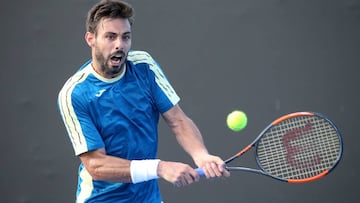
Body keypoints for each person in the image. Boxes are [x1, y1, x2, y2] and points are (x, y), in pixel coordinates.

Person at [57, 0, 229, 202]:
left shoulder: (144, 66)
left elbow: (177, 120)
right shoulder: (74, 93)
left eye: (125, 37)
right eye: (110, 37)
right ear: (90, 39)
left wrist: (201, 156)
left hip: (148, 197)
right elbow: (96, 164)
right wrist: (159, 167)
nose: (119, 44)